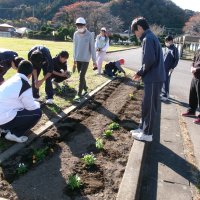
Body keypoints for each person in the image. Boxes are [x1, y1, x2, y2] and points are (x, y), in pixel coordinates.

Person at [130, 17, 166, 142]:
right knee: (146, 105)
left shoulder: (148, 39)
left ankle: (147, 133)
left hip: (153, 78)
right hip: (153, 77)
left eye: (135, 32)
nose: (135, 35)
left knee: (150, 106)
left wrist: (140, 72)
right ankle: (142, 128)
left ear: (139, 28)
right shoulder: (150, 37)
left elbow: (149, 60)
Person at [0, 60, 42, 143]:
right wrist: (38, 104)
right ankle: (14, 134)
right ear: (30, 75)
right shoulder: (24, 85)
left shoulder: (12, 79)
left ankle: (4, 128)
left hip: (3, 113)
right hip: (4, 118)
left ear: (18, 69)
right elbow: (31, 107)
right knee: (37, 113)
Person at [73, 17, 97, 103]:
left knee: (81, 76)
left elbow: (93, 49)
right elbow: (74, 46)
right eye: (78, 26)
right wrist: (74, 58)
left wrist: (94, 61)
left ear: (84, 25)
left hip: (86, 59)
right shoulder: (75, 34)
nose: (79, 27)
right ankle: (86, 90)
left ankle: (78, 94)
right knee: (81, 76)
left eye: (81, 26)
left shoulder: (89, 35)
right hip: (78, 58)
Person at [182, 48, 200, 125]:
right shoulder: (198, 50)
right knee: (193, 95)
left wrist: (197, 69)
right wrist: (192, 67)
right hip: (195, 77)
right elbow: (193, 60)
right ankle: (191, 111)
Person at [161, 35, 179, 101]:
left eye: (167, 41)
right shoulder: (167, 48)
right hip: (163, 67)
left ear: (171, 41)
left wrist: (172, 68)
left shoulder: (174, 49)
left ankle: (166, 96)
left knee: (166, 81)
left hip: (169, 68)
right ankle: (163, 93)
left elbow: (176, 59)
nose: (166, 43)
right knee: (163, 80)